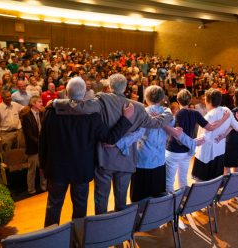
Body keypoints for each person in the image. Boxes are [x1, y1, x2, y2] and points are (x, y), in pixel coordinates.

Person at [53, 73, 173, 214]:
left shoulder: (102, 100)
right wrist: (168, 112)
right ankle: (119, 230)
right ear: (125, 87)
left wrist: (56, 103)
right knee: (121, 202)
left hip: (105, 158)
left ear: (110, 86)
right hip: (126, 160)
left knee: (101, 199)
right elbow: (157, 123)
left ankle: (102, 230)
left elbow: (80, 107)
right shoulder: (139, 107)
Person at [39, 77, 134, 227]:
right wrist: (126, 119)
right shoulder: (92, 116)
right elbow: (109, 139)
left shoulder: (51, 112)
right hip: (81, 169)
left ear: (66, 93)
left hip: (56, 168)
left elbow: (43, 141)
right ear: (84, 94)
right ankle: (78, 237)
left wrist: (43, 166)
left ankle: (50, 240)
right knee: (80, 207)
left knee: (53, 206)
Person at [165, 89, 230, 192]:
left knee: (169, 180)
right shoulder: (195, 113)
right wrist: (224, 118)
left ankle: (171, 205)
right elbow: (211, 127)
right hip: (187, 150)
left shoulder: (179, 113)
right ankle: (182, 201)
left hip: (174, 150)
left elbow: (178, 135)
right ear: (190, 100)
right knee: (183, 178)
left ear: (178, 100)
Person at [192, 89, 238, 181]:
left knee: (201, 182)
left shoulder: (208, 117)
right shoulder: (226, 110)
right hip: (219, 150)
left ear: (208, 101)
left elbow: (203, 138)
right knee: (216, 180)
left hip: (206, 153)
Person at [21, 96, 47, 195]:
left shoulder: (41, 113)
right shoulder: (26, 116)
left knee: (43, 168)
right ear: (33, 104)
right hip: (32, 147)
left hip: (41, 146)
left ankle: (44, 187)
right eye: (39, 102)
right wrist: (40, 143)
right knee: (32, 170)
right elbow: (29, 135)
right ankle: (31, 190)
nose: (41, 103)